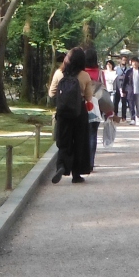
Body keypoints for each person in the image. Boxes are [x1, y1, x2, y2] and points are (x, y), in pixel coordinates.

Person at [48, 47, 93, 183]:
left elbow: (51, 93)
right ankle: (76, 174)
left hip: (63, 112)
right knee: (79, 142)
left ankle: (61, 165)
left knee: (63, 141)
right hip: (79, 112)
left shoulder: (59, 73)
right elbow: (89, 97)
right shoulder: (85, 76)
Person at [81, 46, 111, 173]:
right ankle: (91, 162)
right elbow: (104, 91)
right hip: (96, 107)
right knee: (93, 134)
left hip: (83, 106)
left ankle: (83, 161)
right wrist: (109, 111)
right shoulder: (100, 73)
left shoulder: (82, 73)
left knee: (83, 135)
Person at [114, 57, 132, 122]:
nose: (124, 61)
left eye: (125, 60)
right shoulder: (116, 69)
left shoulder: (128, 69)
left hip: (125, 87)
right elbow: (115, 77)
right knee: (115, 102)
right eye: (123, 60)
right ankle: (115, 116)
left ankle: (124, 117)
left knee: (124, 103)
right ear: (121, 61)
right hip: (117, 87)